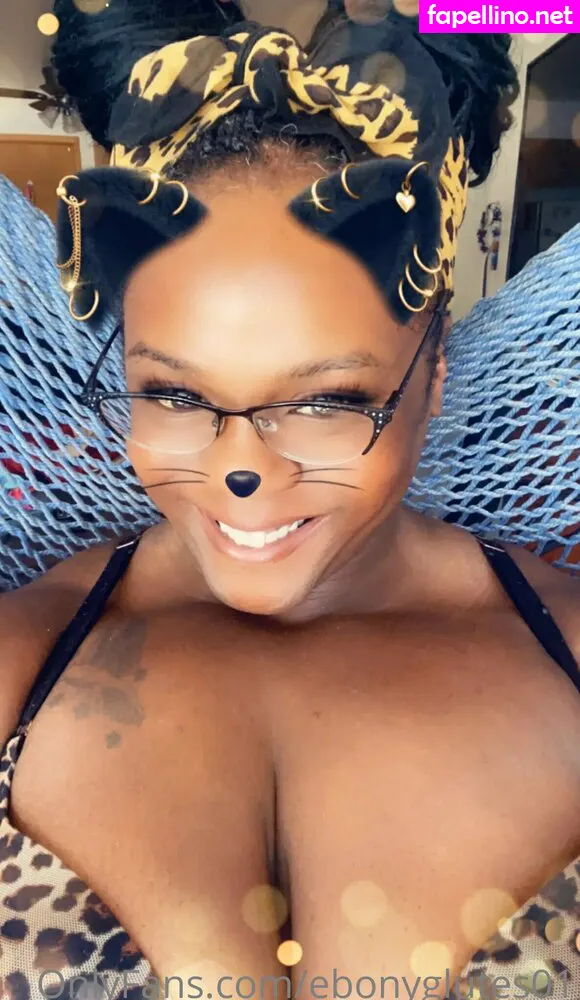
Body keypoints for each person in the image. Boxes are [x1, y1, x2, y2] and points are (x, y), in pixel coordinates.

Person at [0, 2, 578, 998]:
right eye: (174, 392)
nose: (242, 472)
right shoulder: (21, 661)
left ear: (434, 374)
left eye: (325, 400)